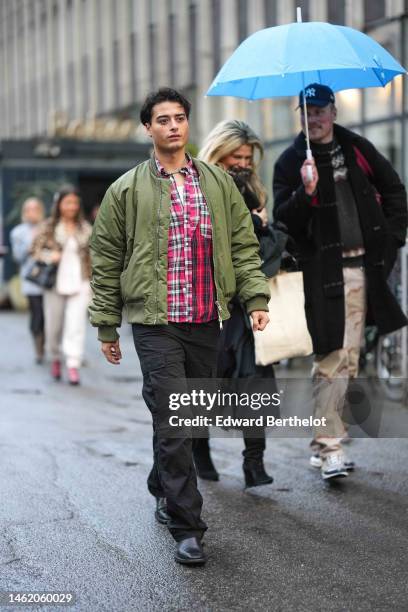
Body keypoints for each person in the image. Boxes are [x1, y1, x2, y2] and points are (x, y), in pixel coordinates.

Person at [89, 88, 270, 565]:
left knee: (187, 419)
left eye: (180, 118)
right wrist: (107, 325)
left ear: (188, 126)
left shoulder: (217, 183)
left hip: (206, 320)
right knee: (175, 417)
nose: (173, 126)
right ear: (148, 128)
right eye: (163, 119)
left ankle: (160, 482)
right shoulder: (125, 190)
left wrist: (254, 298)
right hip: (155, 321)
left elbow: (243, 245)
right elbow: (106, 259)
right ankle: (188, 525)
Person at [273, 83, 408, 481]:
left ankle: (328, 437)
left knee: (347, 359)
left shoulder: (358, 148)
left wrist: (393, 238)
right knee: (332, 358)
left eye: (319, 110)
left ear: (332, 112)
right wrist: (306, 191)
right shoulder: (291, 160)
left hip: (367, 271)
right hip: (323, 275)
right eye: (305, 111)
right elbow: (284, 220)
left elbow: (395, 191)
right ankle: (329, 447)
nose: (312, 118)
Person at [197, 119, 277, 487]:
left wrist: (263, 226)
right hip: (206, 304)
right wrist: (253, 224)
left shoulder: (254, 191)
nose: (243, 163)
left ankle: (254, 462)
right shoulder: (198, 186)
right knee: (203, 382)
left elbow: (259, 250)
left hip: (244, 305)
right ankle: (200, 455)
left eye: (248, 157)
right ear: (218, 153)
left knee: (254, 380)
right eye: (235, 157)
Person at [32, 185, 92, 386]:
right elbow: (34, 251)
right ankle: (56, 358)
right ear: (59, 205)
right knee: (53, 326)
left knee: (76, 326)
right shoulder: (48, 226)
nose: (72, 207)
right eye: (67, 202)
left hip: (81, 282)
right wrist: (50, 256)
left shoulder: (85, 227)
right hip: (55, 282)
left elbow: (95, 254)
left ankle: (73, 364)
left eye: (75, 202)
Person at [10, 197, 46, 363]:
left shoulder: (47, 228)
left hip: (48, 280)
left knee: (49, 315)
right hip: (31, 280)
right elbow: (18, 257)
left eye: (35, 209)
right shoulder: (18, 232)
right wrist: (31, 240)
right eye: (29, 209)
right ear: (25, 212)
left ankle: (47, 342)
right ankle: (38, 347)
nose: (32, 212)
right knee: (37, 314)